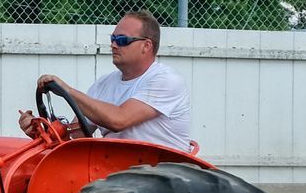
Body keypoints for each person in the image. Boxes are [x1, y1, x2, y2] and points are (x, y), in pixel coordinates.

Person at [17, 9, 193, 152]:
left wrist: (68, 90)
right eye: (113, 39)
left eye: (122, 40)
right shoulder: (103, 84)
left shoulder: (166, 81)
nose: (114, 45)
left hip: (161, 173)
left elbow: (119, 120)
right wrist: (42, 131)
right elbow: (74, 139)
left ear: (146, 46)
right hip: (118, 171)